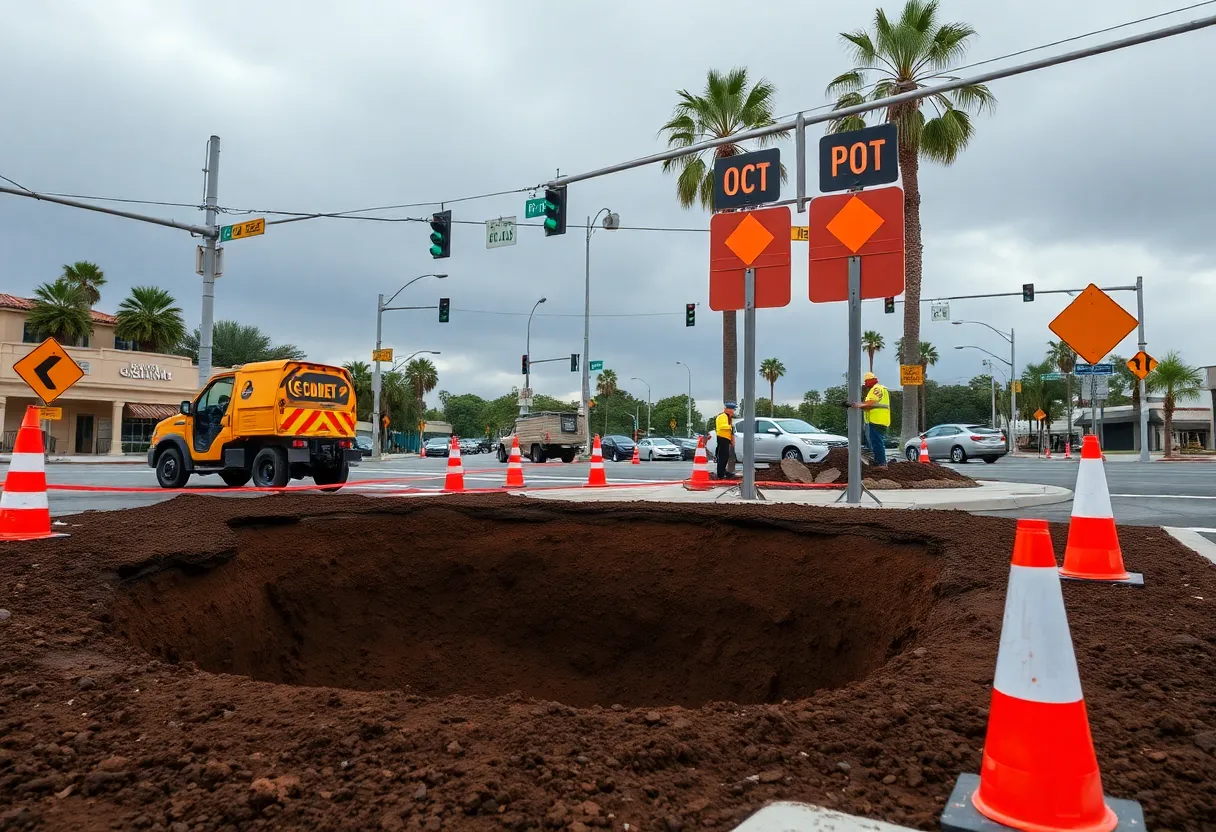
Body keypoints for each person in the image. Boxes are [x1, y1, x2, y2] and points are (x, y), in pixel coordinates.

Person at [850, 372, 890, 467]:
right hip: (876, 420)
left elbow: (871, 402)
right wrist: (861, 406)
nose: (866, 384)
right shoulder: (877, 389)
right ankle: (879, 461)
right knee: (875, 442)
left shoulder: (877, 388)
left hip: (877, 420)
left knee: (877, 442)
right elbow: (869, 405)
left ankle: (881, 463)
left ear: (869, 381)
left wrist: (858, 405)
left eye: (866, 382)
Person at [714, 401, 736, 479]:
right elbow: (722, 426)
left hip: (726, 439)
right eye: (732, 409)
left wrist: (732, 439)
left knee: (725, 456)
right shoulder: (723, 416)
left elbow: (730, 431)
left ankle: (723, 472)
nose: (733, 411)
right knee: (723, 456)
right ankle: (721, 474)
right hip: (722, 438)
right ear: (727, 409)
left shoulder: (728, 418)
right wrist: (731, 427)